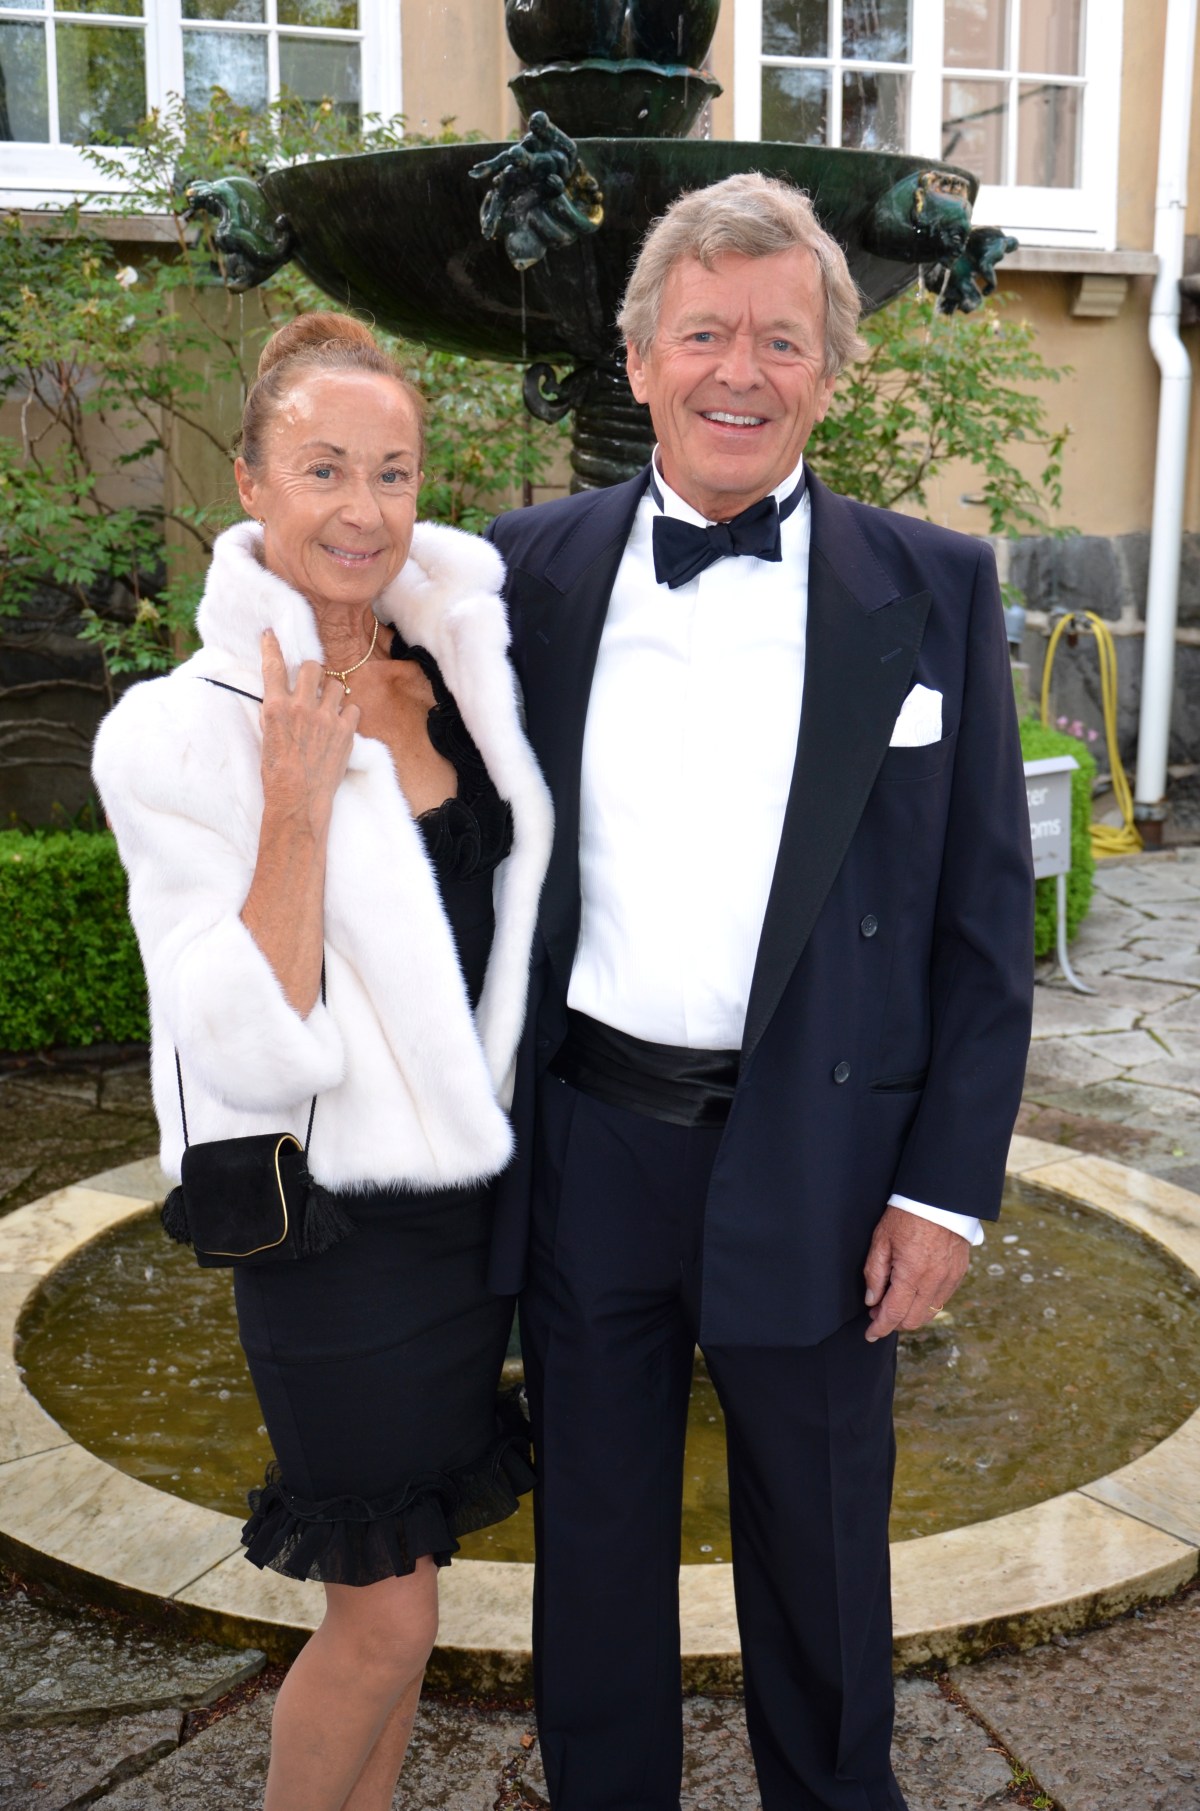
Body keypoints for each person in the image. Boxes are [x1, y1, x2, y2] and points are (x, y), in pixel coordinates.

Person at [487, 173, 1034, 1811]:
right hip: (591, 1144)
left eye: (782, 340)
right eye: (705, 334)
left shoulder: (935, 586)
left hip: (828, 1157)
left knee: (825, 1558)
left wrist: (945, 1192)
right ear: (639, 358)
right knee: (593, 1554)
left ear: (831, 372)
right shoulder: (519, 574)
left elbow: (982, 928)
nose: (741, 370)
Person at [92, 312, 553, 1811]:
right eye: (324, 468)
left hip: (482, 1204)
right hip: (335, 1227)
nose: (364, 509)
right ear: (251, 482)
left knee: (405, 1596)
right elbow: (239, 1034)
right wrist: (294, 804)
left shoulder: (456, 666)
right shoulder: (175, 734)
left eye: (394, 472)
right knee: (385, 1618)